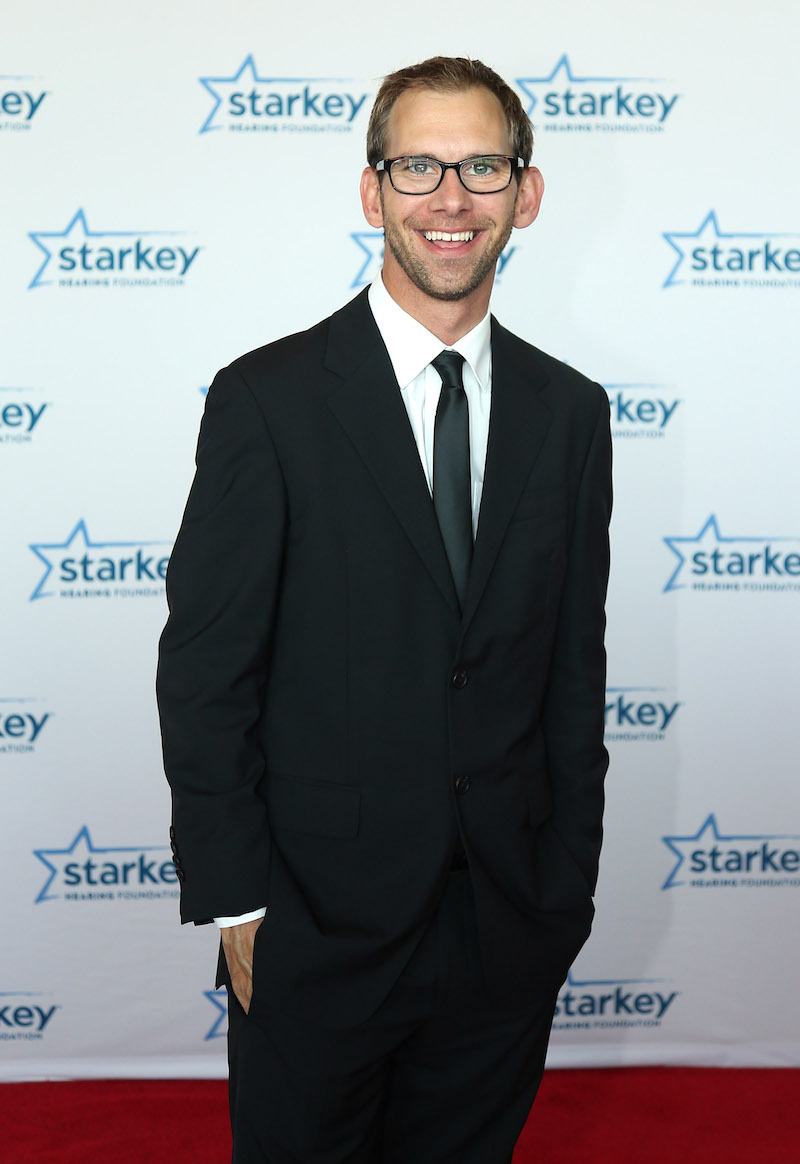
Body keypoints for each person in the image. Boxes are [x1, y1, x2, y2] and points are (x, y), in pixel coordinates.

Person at [157, 55, 611, 1164]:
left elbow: (570, 668)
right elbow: (208, 674)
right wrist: (236, 905)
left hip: (505, 928)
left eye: (482, 167)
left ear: (525, 194)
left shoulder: (569, 411)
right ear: (372, 192)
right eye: (418, 167)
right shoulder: (267, 401)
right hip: (315, 935)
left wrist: (563, 888)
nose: (450, 198)